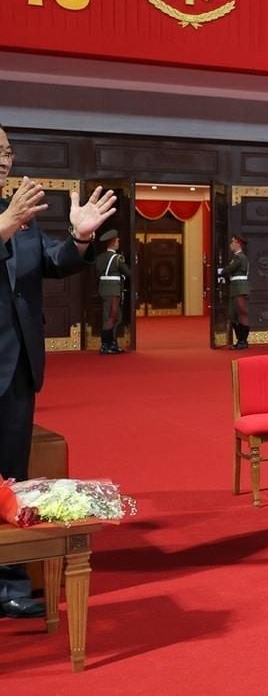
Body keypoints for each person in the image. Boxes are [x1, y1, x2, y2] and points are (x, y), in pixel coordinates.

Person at [1, 124, 117, 620]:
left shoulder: (22, 213)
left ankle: (10, 583)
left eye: (6, 150)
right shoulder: (12, 215)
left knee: (13, 478)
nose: (3, 159)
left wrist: (79, 236)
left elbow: (53, 261)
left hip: (17, 366)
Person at [95, 228, 129, 355]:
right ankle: (105, 345)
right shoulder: (117, 259)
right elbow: (128, 272)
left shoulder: (99, 258)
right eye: (117, 240)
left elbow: (97, 274)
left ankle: (113, 344)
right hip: (113, 291)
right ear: (113, 242)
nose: (118, 242)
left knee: (115, 317)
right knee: (110, 318)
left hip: (104, 290)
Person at [227, 234, 250, 349]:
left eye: (233, 242)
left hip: (239, 288)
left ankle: (242, 341)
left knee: (241, 313)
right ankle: (240, 340)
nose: (231, 244)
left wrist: (223, 271)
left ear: (238, 244)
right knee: (234, 315)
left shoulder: (240, 258)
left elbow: (228, 270)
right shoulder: (237, 257)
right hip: (236, 288)